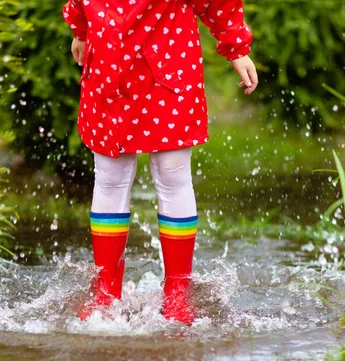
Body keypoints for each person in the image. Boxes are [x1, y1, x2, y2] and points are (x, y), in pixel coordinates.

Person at [63, 0, 258, 325]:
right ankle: (106, 294)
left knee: (173, 173)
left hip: (170, 62)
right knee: (110, 176)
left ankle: (178, 294)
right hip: (110, 69)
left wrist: (235, 46)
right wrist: (80, 28)